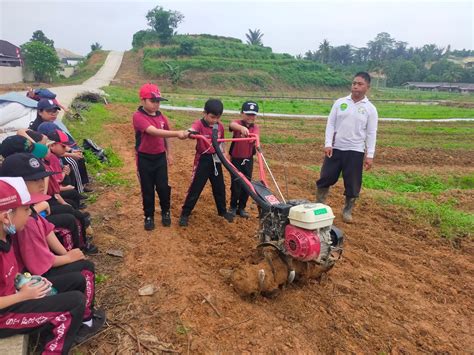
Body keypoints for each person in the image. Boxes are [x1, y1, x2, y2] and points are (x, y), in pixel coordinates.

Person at [0, 176, 86, 354]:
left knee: (77, 280)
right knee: (75, 303)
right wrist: (23, 296)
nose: (30, 213)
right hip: (5, 315)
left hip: (15, 298)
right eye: (26, 209)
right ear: (6, 217)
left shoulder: (6, 238)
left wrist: (22, 280)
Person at [316, 72, 378, 223]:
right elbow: (330, 124)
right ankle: (319, 204)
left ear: (367, 87)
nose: (355, 86)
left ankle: (347, 211)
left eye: (360, 84)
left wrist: (369, 155)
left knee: (352, 182)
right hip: (336, 148)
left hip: (355, 151)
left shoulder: (370, 109)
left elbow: (371, 133)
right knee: (326, 177)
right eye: (354, 83)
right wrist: (328, 144)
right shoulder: (340, 103)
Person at [132, 83, 189, 231]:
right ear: (142, 100)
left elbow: (165, 137)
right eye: (153, 101)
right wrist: (178, 133)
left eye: (158, 101)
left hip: (159, 158)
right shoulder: (138, 116)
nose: (156, 104)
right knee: (147, 188)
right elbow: (154, 132)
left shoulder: (162, 117)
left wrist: (169, 153)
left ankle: (166, 212)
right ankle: (149, 216)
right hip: (144, 158)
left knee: (163, 187)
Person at [179, 99, 234, 227]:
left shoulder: (219, 126)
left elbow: (221, 142)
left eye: (218, 117)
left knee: (219, 187)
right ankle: (185, 213)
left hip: (216, 159)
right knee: (196, 188)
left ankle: (222, 211)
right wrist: (189, 132)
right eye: (212, 117)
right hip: (202, 160)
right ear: (205, 113)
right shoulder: (199, 124)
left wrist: (224, 154)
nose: (215, 120)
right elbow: (192, 129)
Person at [228, 101, 260, 218]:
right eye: (248, 114)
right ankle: (232, 207)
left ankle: (241, 208)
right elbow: (232, 125)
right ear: (242, 113)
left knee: (247, 184)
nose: (251, 117)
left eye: (253, 115)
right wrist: (241, 128)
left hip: (248, 160)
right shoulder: (237, 124)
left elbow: (255, 137)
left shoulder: (255, 128)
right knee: (236, 183)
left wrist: (251, 137)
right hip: (236, 159)